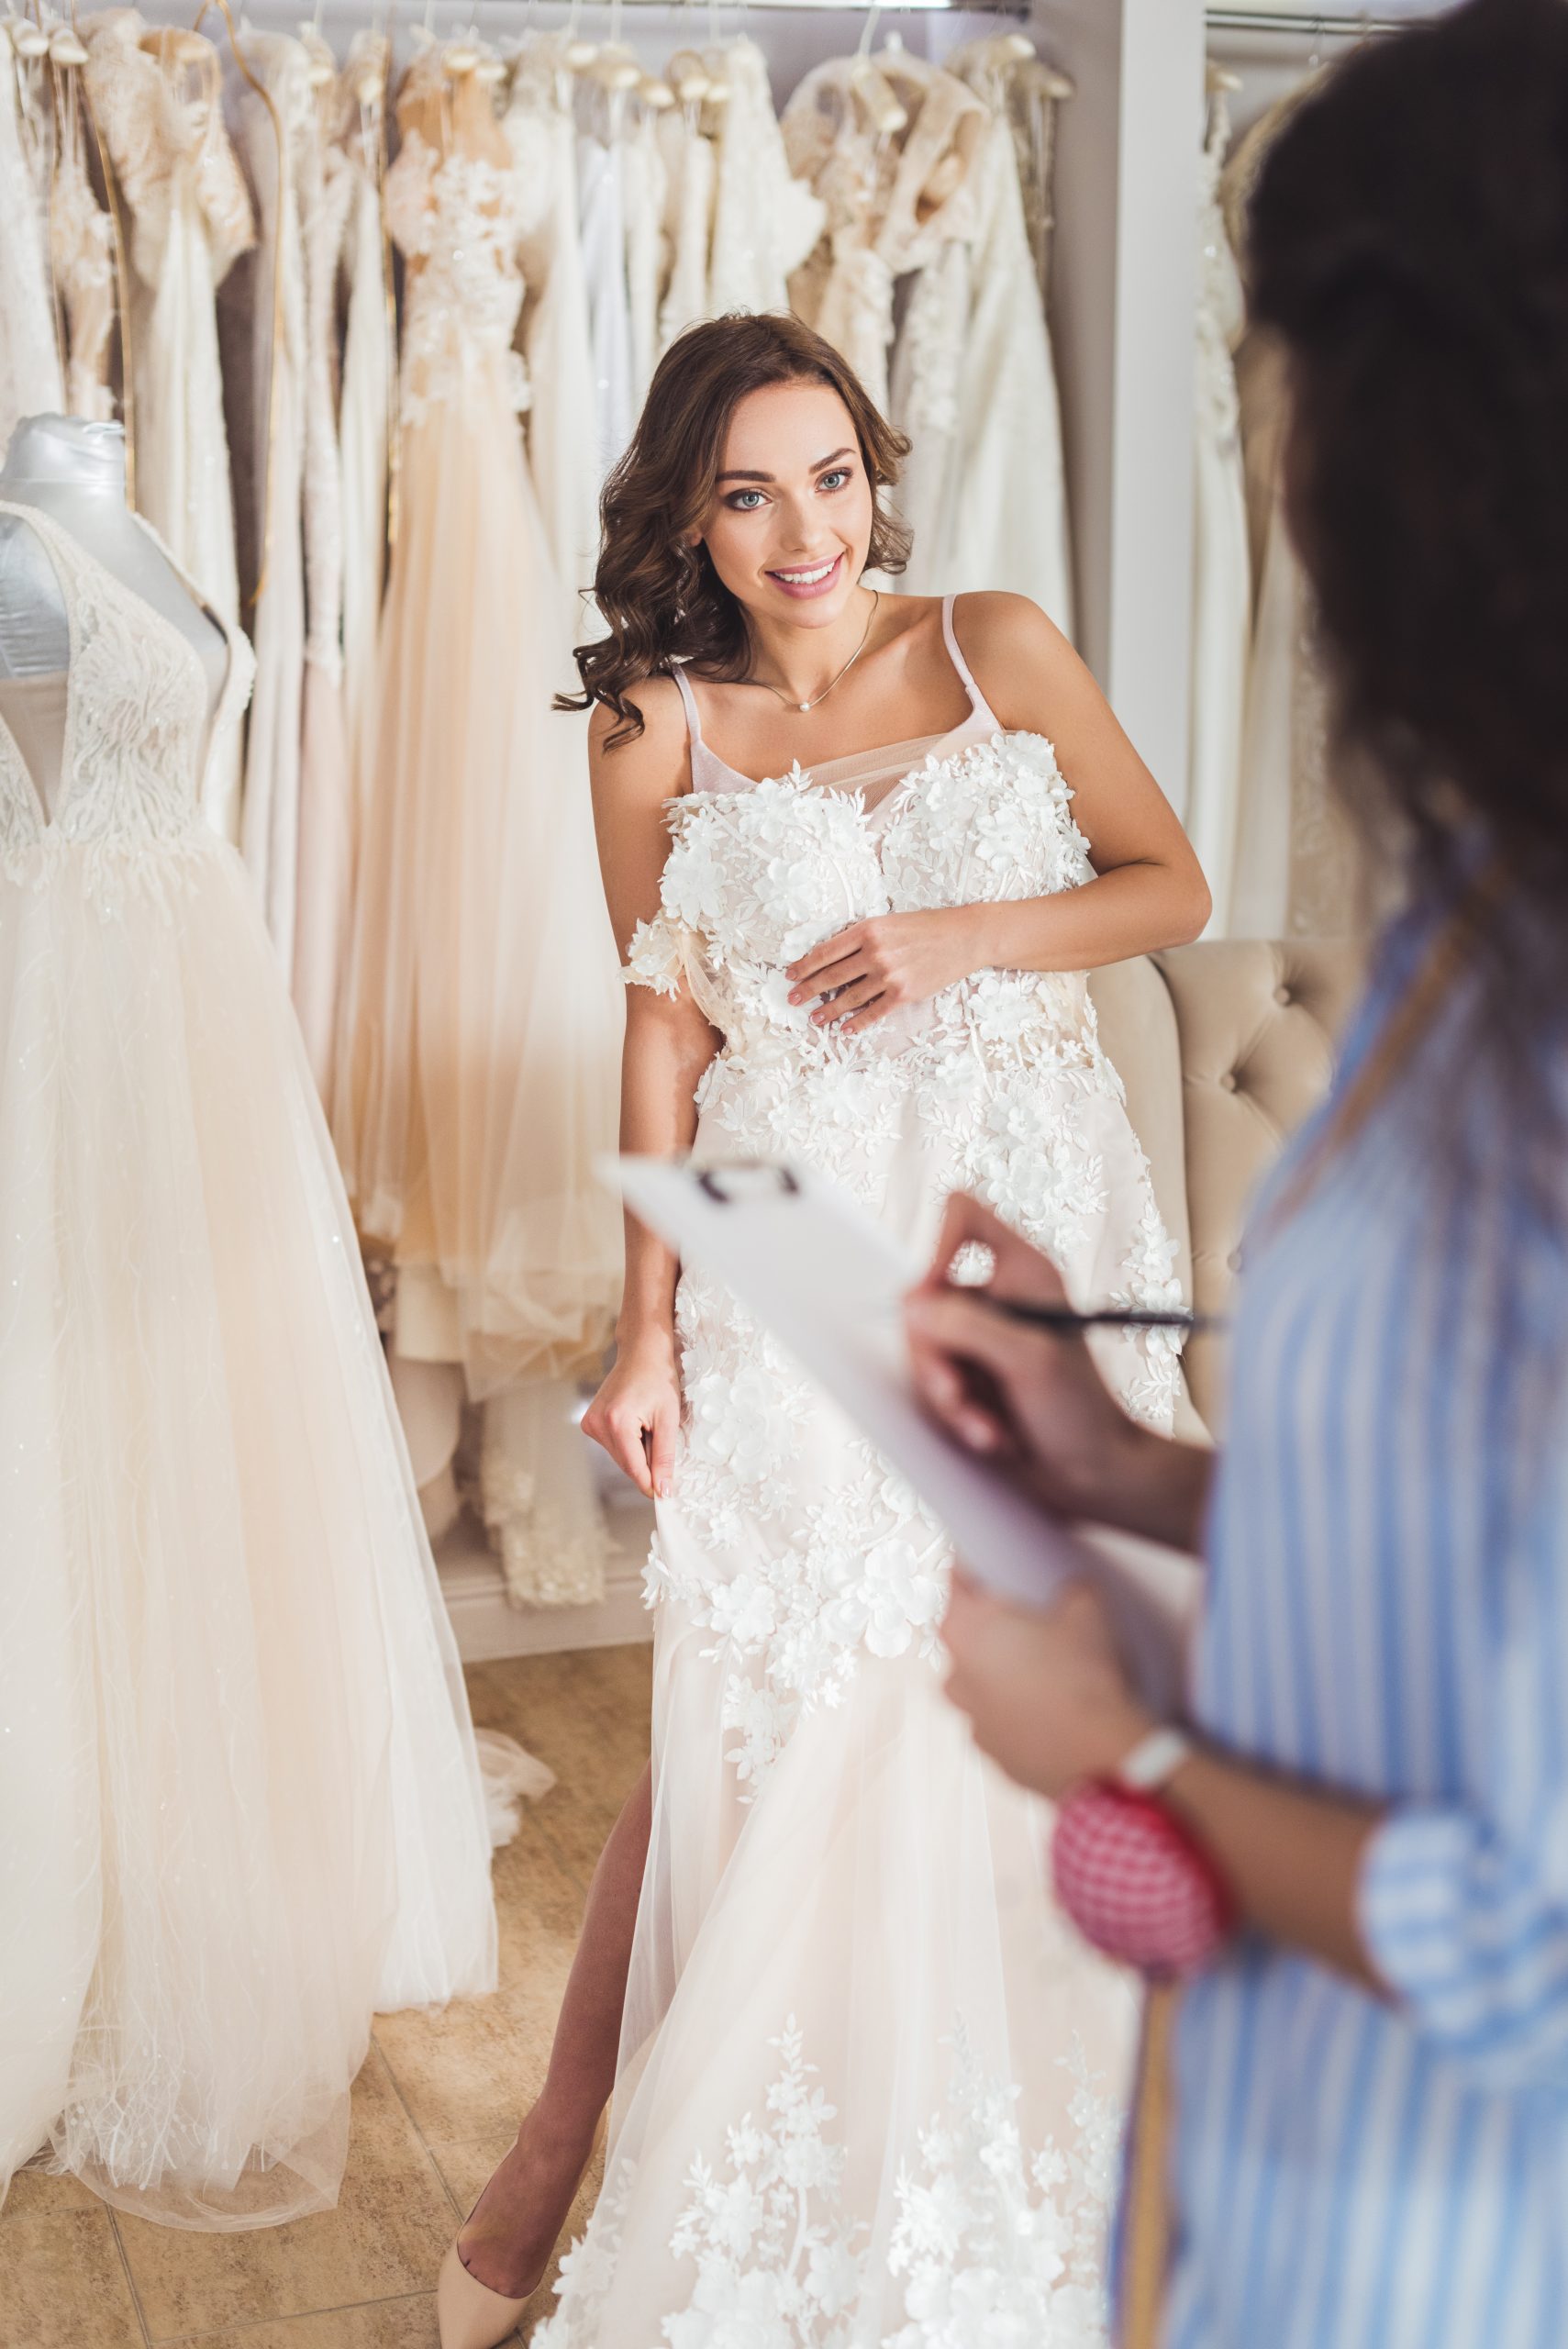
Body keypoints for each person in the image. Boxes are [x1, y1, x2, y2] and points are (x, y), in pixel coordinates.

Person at [436, 309, 1210, 2349]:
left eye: (836, 476)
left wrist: (967, 931)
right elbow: (661, 1021)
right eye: (753, 491)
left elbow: (1169, 882)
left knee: (1021, 1693)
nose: (808, 531)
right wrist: (644, 1333)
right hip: (791, 1231)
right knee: (784, 1696)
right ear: (693, 514)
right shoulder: (649, 727)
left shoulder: (995, 645)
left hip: (1021, 1221)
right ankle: (603, 2154)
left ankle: (1033, 2158)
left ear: (878, 469)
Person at [910, 5, 1568, 2343]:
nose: (1275, 476)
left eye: (1290, 393)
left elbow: (1541, 1937)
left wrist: (1137, 1746)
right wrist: (1133, 1465)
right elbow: (1470, 1550)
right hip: (1255, 2190)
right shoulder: (1460, 931)